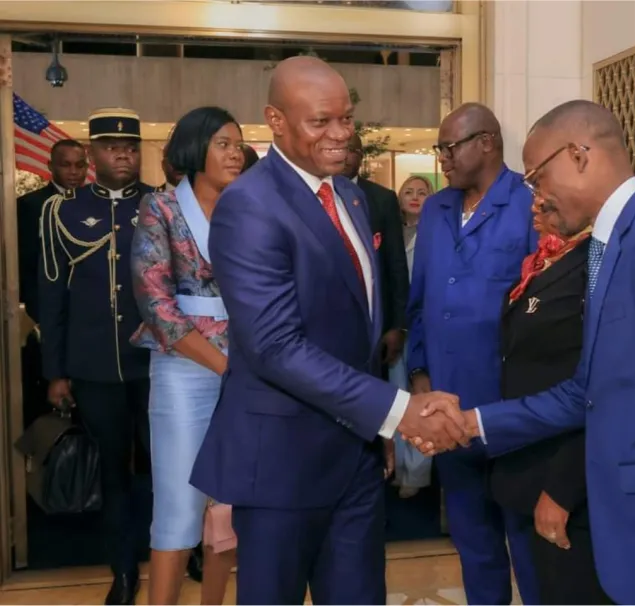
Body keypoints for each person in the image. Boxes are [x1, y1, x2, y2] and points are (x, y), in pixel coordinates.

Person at [419, 100, 635, 605]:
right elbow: (585, 391)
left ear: (579, 156)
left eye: (538, 178)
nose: (535, 196)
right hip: (619, 531)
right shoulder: (608, 247)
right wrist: (475, 422)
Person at [189, 56, 466, 605]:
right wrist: (396, 410)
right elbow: (274, 347)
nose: (340, 134)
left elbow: (353, 328)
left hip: (355, 462)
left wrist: (374, 429)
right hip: (281, 467)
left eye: (346, 118)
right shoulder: (249, 205)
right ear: (275, 119)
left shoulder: (353, 197)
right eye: (321, 121)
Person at [406, 102, 539, 605]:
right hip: (446, 407)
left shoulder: (529, 202)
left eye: (450, 146)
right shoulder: (438, 209)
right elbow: (419, 302)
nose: (441, 157)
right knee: (472, 540)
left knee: (526, 541)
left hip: (509, 410)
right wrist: (419, 373)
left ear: (486, 143)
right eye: (439, 147)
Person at [38, 108, 154, 605]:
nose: (122, 153)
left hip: (157, 365)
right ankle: (123, 570)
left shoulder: (161, 205)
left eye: (130, 146)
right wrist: (55, 371)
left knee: (164, 466)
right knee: (112, 472)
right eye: (110, 146)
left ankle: (177, 550)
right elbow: (51, 296)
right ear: (91, 154)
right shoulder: (61, 212)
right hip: (93, 367)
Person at [131, 106, 244, 605]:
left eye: (238, 144)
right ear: (195, 149)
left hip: (248, 365)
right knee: (179, 504)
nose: (235, 152)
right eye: (223, 143)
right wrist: (225, 366)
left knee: (230, 501)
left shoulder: (248, 206)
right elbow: (154, 300)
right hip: (183, 365)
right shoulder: (161, 208)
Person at [490, 195, 608, 604]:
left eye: (545, 205)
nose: (534, 213)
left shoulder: (595, 264)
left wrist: (562, 489)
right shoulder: (545, 260)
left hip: (566, 480)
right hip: (529, 463)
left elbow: (597, 391)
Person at [17, 139, 88, 427]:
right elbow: (25, 267)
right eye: (65, 164)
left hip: (88, 319)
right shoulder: (29, 206)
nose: (73, 172)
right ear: (50, 167)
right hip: (45, 317)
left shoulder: (94, 205)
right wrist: (42, 316)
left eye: (80, 165)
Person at [342, 134, 409, 375]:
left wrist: (398, 326)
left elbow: (396, 266)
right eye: (339, 148)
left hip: (375, 326)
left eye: (351, 149)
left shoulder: (382, 199)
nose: (343, 154)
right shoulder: (314, 197)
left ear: (360, 157)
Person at [392, 174, 434, 497]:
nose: (415, 196)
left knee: (422, 399)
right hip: (396, 328)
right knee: (396, 398)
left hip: (426, 326)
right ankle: (398, 466)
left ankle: (417, 474)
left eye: (422, 191)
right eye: (409, 191)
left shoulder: (437, 235)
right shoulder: (391, 233)